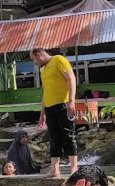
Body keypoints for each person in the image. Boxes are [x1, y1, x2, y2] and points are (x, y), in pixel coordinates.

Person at [30, 48, 79, 177]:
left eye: (33, 59)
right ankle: (54, 169)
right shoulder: (44, 70)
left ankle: (74, 167)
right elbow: (46, 92)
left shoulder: (58, 60)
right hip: (50, 107)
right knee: (54, 139)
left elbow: (71, 79)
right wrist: (42, 113)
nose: (34, 63)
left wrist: (71, 100)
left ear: (38, 55)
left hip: (63, 104)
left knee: (68, 136)